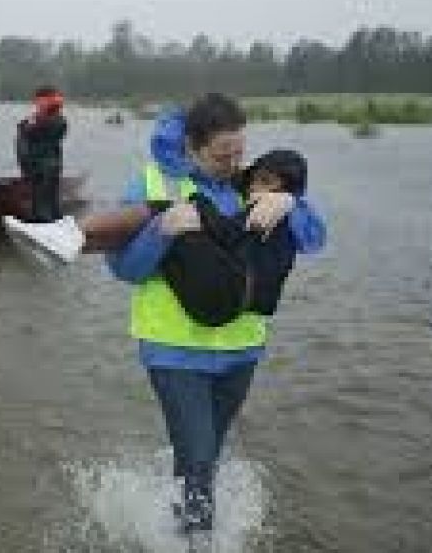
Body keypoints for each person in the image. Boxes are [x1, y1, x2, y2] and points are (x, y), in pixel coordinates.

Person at [109, 95, 323, 535]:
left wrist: (290, 205)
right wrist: (159, 232)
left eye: (239, 153)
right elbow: (124, 270)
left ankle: (181, 517)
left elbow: (315, 239)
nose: (234, 165)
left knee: (203, 455)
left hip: (241, 351)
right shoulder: (153, 184)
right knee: (200, 456)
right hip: (174, 350)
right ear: (192, 146)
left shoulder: (251, 185)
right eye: (222, 156)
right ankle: (198, 538)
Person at [15, 86, 68, 222]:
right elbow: (23, 141)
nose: (37, 104)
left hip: (44, 165)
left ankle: (46, 219)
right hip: (39, 165)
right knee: (42, 195)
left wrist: (30, 124)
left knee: (45, 196)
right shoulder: (36, 121)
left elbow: (35, 131)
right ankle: (44, 217)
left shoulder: (55, 121)